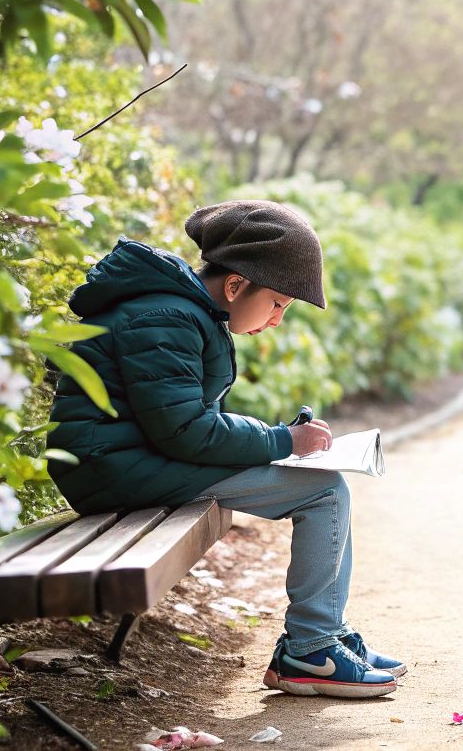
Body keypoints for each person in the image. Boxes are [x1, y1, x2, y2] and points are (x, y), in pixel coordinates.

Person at [46, 200, 403, 699]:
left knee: (324, 487)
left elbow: (185, 423)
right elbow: (186, 430)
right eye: (277, 303)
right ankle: (311, 648)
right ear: (236, 285)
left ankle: (324, 636)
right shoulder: (166, 316)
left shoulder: (185, 311)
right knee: (323, 491)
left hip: (133, 461)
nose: (277, 319)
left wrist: (280, 439)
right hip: (114, 468)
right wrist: (282, 440)